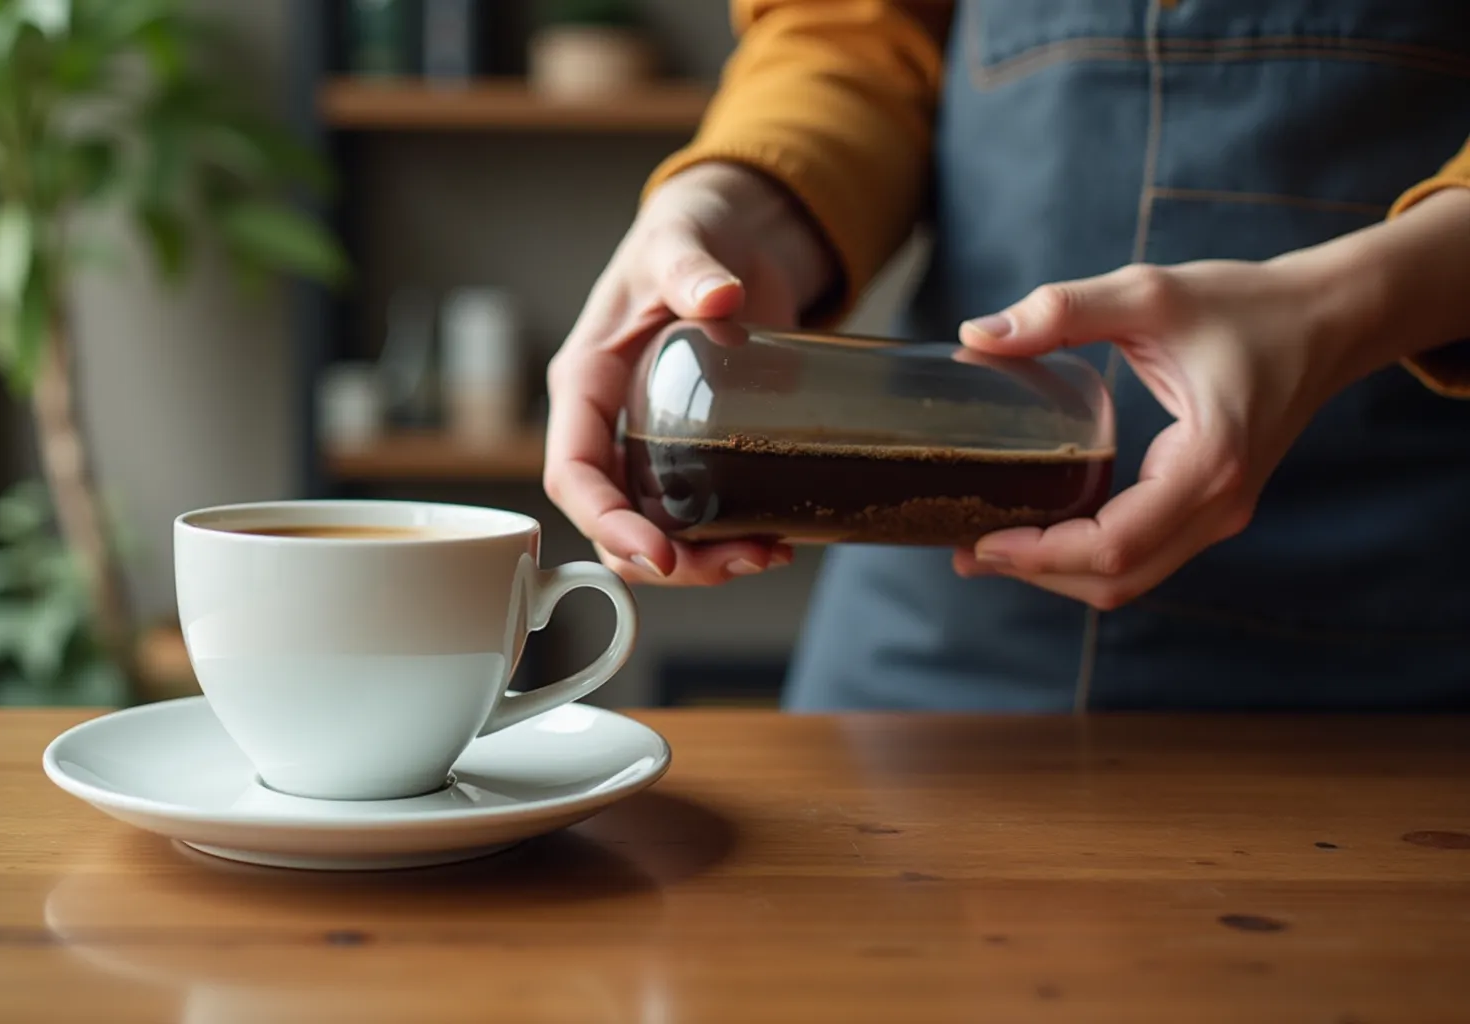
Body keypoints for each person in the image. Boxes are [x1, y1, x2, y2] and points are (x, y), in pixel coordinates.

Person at [544, 0, 1470, 711]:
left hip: (1385, 627)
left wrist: (1347, 305)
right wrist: (739, 209)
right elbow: (847, 35)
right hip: (940, 630)